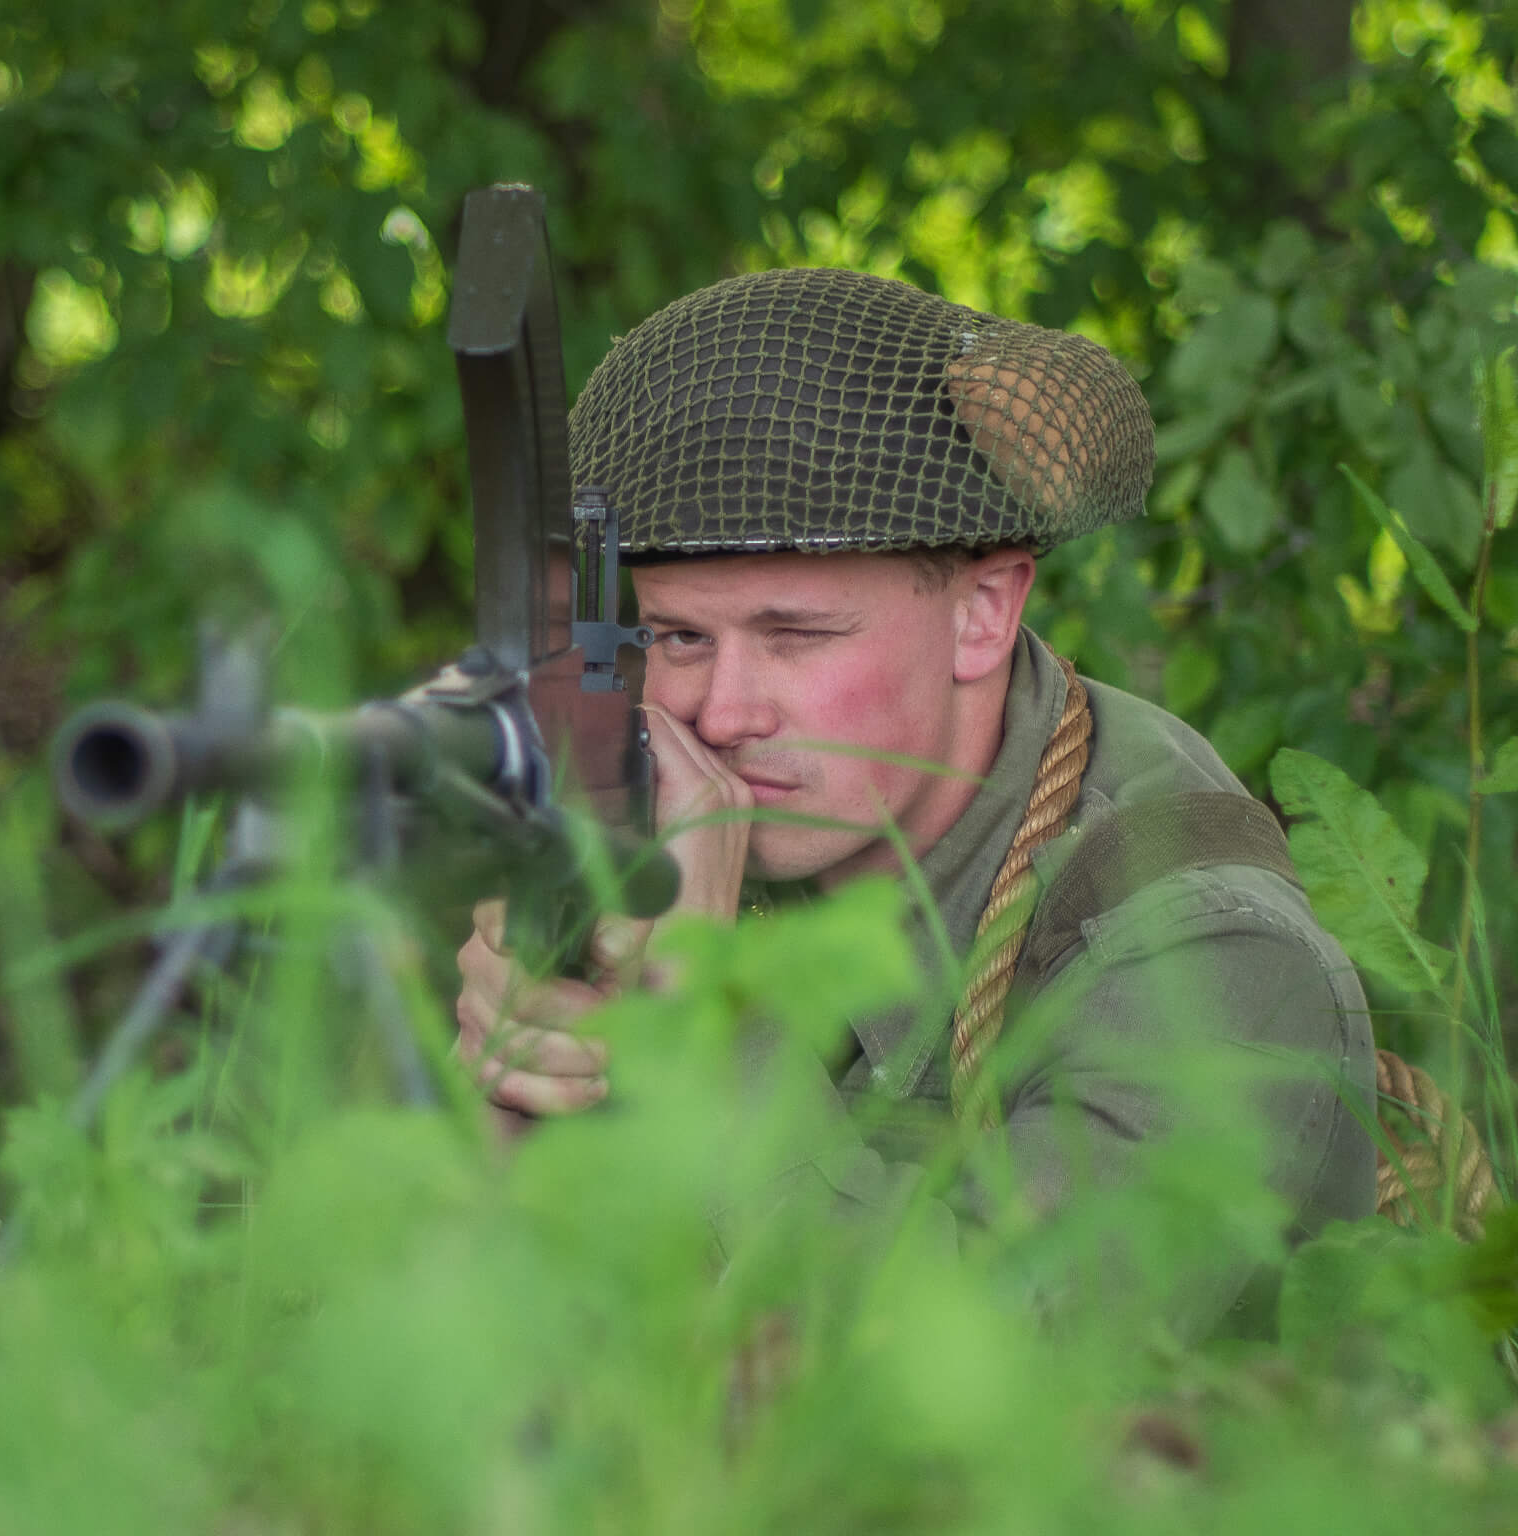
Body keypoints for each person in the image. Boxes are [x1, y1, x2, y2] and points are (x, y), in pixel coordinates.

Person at [452, 266, 1377, 1338]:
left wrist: (694, 1032)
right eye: (677, 638)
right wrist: (517, 1088)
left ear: (981, 613)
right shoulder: (695, 840)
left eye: (794, 637)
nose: (721, 710)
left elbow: (958, 1384)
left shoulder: (1209, 958)